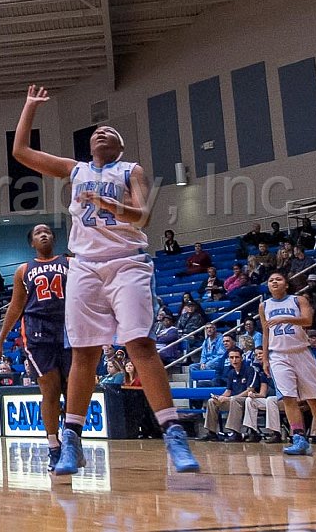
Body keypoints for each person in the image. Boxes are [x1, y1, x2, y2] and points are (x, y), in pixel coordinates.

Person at [11, 85, 198, 474]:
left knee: (140, 344)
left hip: (127, 262)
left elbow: (143, 216)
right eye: (97, 132)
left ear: (120, 146)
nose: (101, 133)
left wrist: (109, 204)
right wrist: (29, 108)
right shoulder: (75, 169)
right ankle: (71, 443)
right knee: (85, 353)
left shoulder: (131, 170)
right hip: (83, 265)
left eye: (110, 133)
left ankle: (174, 435)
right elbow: (22, 153)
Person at [0, 223, 69, 471]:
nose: (43, 234)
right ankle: (54, 446)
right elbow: (15, 306)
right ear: (32, 243)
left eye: (47, 231)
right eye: (38, 233)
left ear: (54, 238)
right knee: (51, 392)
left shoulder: (70, 262)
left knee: (73, 392)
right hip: (37, 333)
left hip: (69, 329)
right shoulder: (24, 270)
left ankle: (72, 442)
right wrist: (1, 339)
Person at [259, 271, 316, 456]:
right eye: (271, 280)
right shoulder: (264, 305)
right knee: (288, 397)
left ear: (286, 284)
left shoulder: (298, 300)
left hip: (301, 352)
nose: (274, 282)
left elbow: (308, 321)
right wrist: (265, 358)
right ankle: (299, 438)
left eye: (278, 278)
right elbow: (265, 332)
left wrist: (285, 319)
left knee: (313, 397)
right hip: (278, 354)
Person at [201, 347, 255, 442]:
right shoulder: (231, 373)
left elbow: (250, 390)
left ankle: (235, 433)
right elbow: (228, 391)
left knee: (234, 400)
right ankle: (212, 432)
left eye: (236, 357)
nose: (234, 360)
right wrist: (220, 397)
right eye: (231, 357)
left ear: (241, 358)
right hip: (233, 401)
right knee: (211, 401)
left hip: (246, 401)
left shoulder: (250, 370)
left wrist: (231, 398)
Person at [242, 347, 280, 443]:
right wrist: (254, 395)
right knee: (249, 400)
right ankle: (253, 431)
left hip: (284, 400)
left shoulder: (277, 368)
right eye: (256, 354)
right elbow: (263, 394)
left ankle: (275, 433)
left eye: (261, 353)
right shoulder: (263, 373)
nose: (258, 356)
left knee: (270, 400)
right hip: (271, 401)